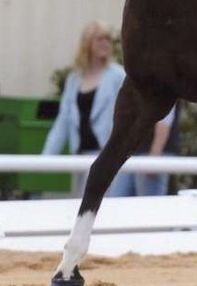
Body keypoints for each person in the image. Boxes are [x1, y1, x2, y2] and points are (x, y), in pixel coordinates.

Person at [42, 20, 127, 197]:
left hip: (105, 154)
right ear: (87, 43)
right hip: (80, 154)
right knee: (78, 204)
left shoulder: (118, 75)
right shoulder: (74, 79)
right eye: (99, 39)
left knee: (100, 206)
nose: (105, 43)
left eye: (107, 39)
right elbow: (63, 121)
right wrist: (46, 158)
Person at [112, 101, 181, 196]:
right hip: (133, 152)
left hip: (150, 152)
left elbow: (165, 117)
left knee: (148, 204)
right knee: (118, 200)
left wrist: (155, 154)